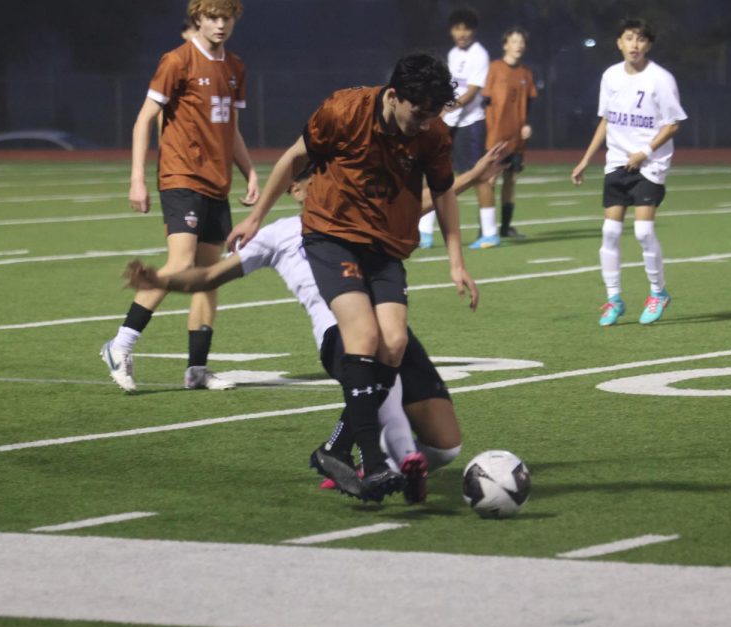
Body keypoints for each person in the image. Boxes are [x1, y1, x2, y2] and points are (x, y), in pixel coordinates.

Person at [123, 147, 503, 502]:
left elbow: (415, 204)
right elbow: (208, 278)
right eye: (316, 176)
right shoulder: (278, 235)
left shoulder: (355, 215)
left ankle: (359, 457)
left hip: (390, 329)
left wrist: (472, 176)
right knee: (375, 356)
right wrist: (160, 280)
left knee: (445, 445)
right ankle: (394, 459)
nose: (327, 182)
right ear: (297, 189)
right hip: (340, 333)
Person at [226, 54, 478, 502]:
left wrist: (456, 261)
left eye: (433, 114)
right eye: (419, 113)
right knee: (362, 336)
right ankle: (374, 462)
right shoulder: (344, 110)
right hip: (331, 236)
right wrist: (256, 218)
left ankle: (335, 449)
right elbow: (292, 158)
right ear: (395, 96)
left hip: (385, 246)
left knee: (394, 343)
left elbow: (443, 194)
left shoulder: (433, 132)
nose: (424, 124)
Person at [99, 0, 259, 394]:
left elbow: (230, 128)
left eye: (227, 18)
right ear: (197, 19)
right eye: (213, 17)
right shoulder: (177, 61)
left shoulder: (235, 67)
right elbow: (144, 119)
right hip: (181, 177)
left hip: (216, 184)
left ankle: (197, 370)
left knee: (208, 277)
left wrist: (250, 171)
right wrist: (137, 178)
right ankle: (120, 345)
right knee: (181, 264)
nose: (220, 25)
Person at [571, 17, 687, 327]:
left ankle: (658, 293)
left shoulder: (661, 79)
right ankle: (614, 299)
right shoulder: (610, 76)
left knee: (643, 231)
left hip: (650, 165)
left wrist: (645, 152)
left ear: (648, 45)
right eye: (629, 38)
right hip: (617, 163)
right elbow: (606, 120)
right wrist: (586, 159)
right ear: (619, 43)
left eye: (640, 39)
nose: (634, 44)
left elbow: (673, 123)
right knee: (609, 232)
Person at [418, 7, 497, 250]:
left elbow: (473, 91)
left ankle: (490, 233)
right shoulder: (453, 54)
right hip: (448, 120)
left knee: (478, 176)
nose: (461, 33)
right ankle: (424, 233)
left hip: (470, 124)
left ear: (473, 31)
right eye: (457, 28)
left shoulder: (479, 54)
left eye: (466, 28)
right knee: (432, 172)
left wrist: (448, 108)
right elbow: (449, 87)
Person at [482, 26, 536, 241]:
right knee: (490, 180)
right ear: (505, 45)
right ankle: (486, 229)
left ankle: (505, 227)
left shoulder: (526, 73)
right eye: (514, 41)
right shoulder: (494, 68)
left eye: (521, 42)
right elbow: (485, 100)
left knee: (511, 180)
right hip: (496, 136)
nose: (518, 46)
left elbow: (529, 104)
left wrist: (527, 125)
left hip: (517, 138)